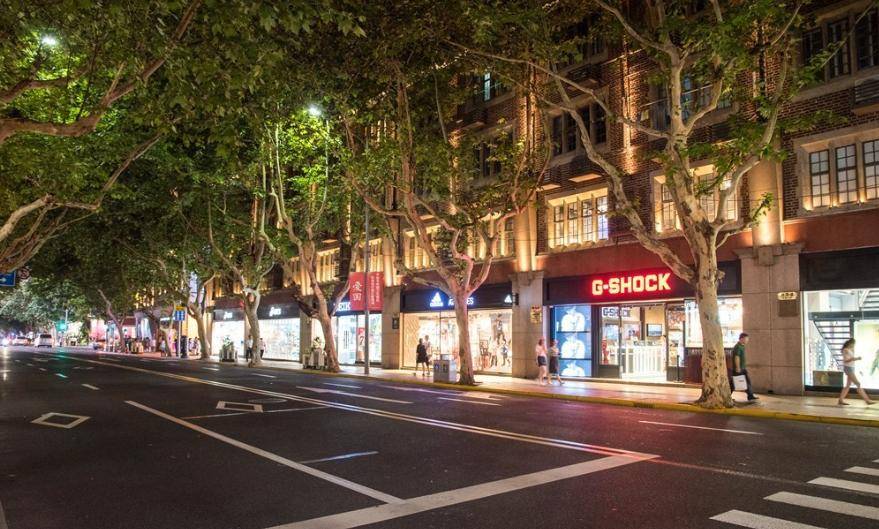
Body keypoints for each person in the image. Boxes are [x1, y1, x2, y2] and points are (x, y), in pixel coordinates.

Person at [838, 339, 876, 406]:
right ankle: (867, 400)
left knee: (848, 385)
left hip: (851, 368)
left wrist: (855, 358)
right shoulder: (846, 350)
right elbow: (846, 360)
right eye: (853, 344)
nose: (854, 345)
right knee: (858, 384)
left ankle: (840, 400)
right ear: (850, 343)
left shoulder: (849, 349)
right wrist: (856, 358)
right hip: (848, 368)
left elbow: (850, 359)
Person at [731, 332, 758, 402]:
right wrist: (737, 367)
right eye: (746, 339)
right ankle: (750, 396)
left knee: (745, 382)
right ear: (741, 338)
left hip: (742, 368)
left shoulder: (742, 346)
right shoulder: (738, 347)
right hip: (739, 368)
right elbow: (737, 357)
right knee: (733, 383)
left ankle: (750, 396)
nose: (747, 340)